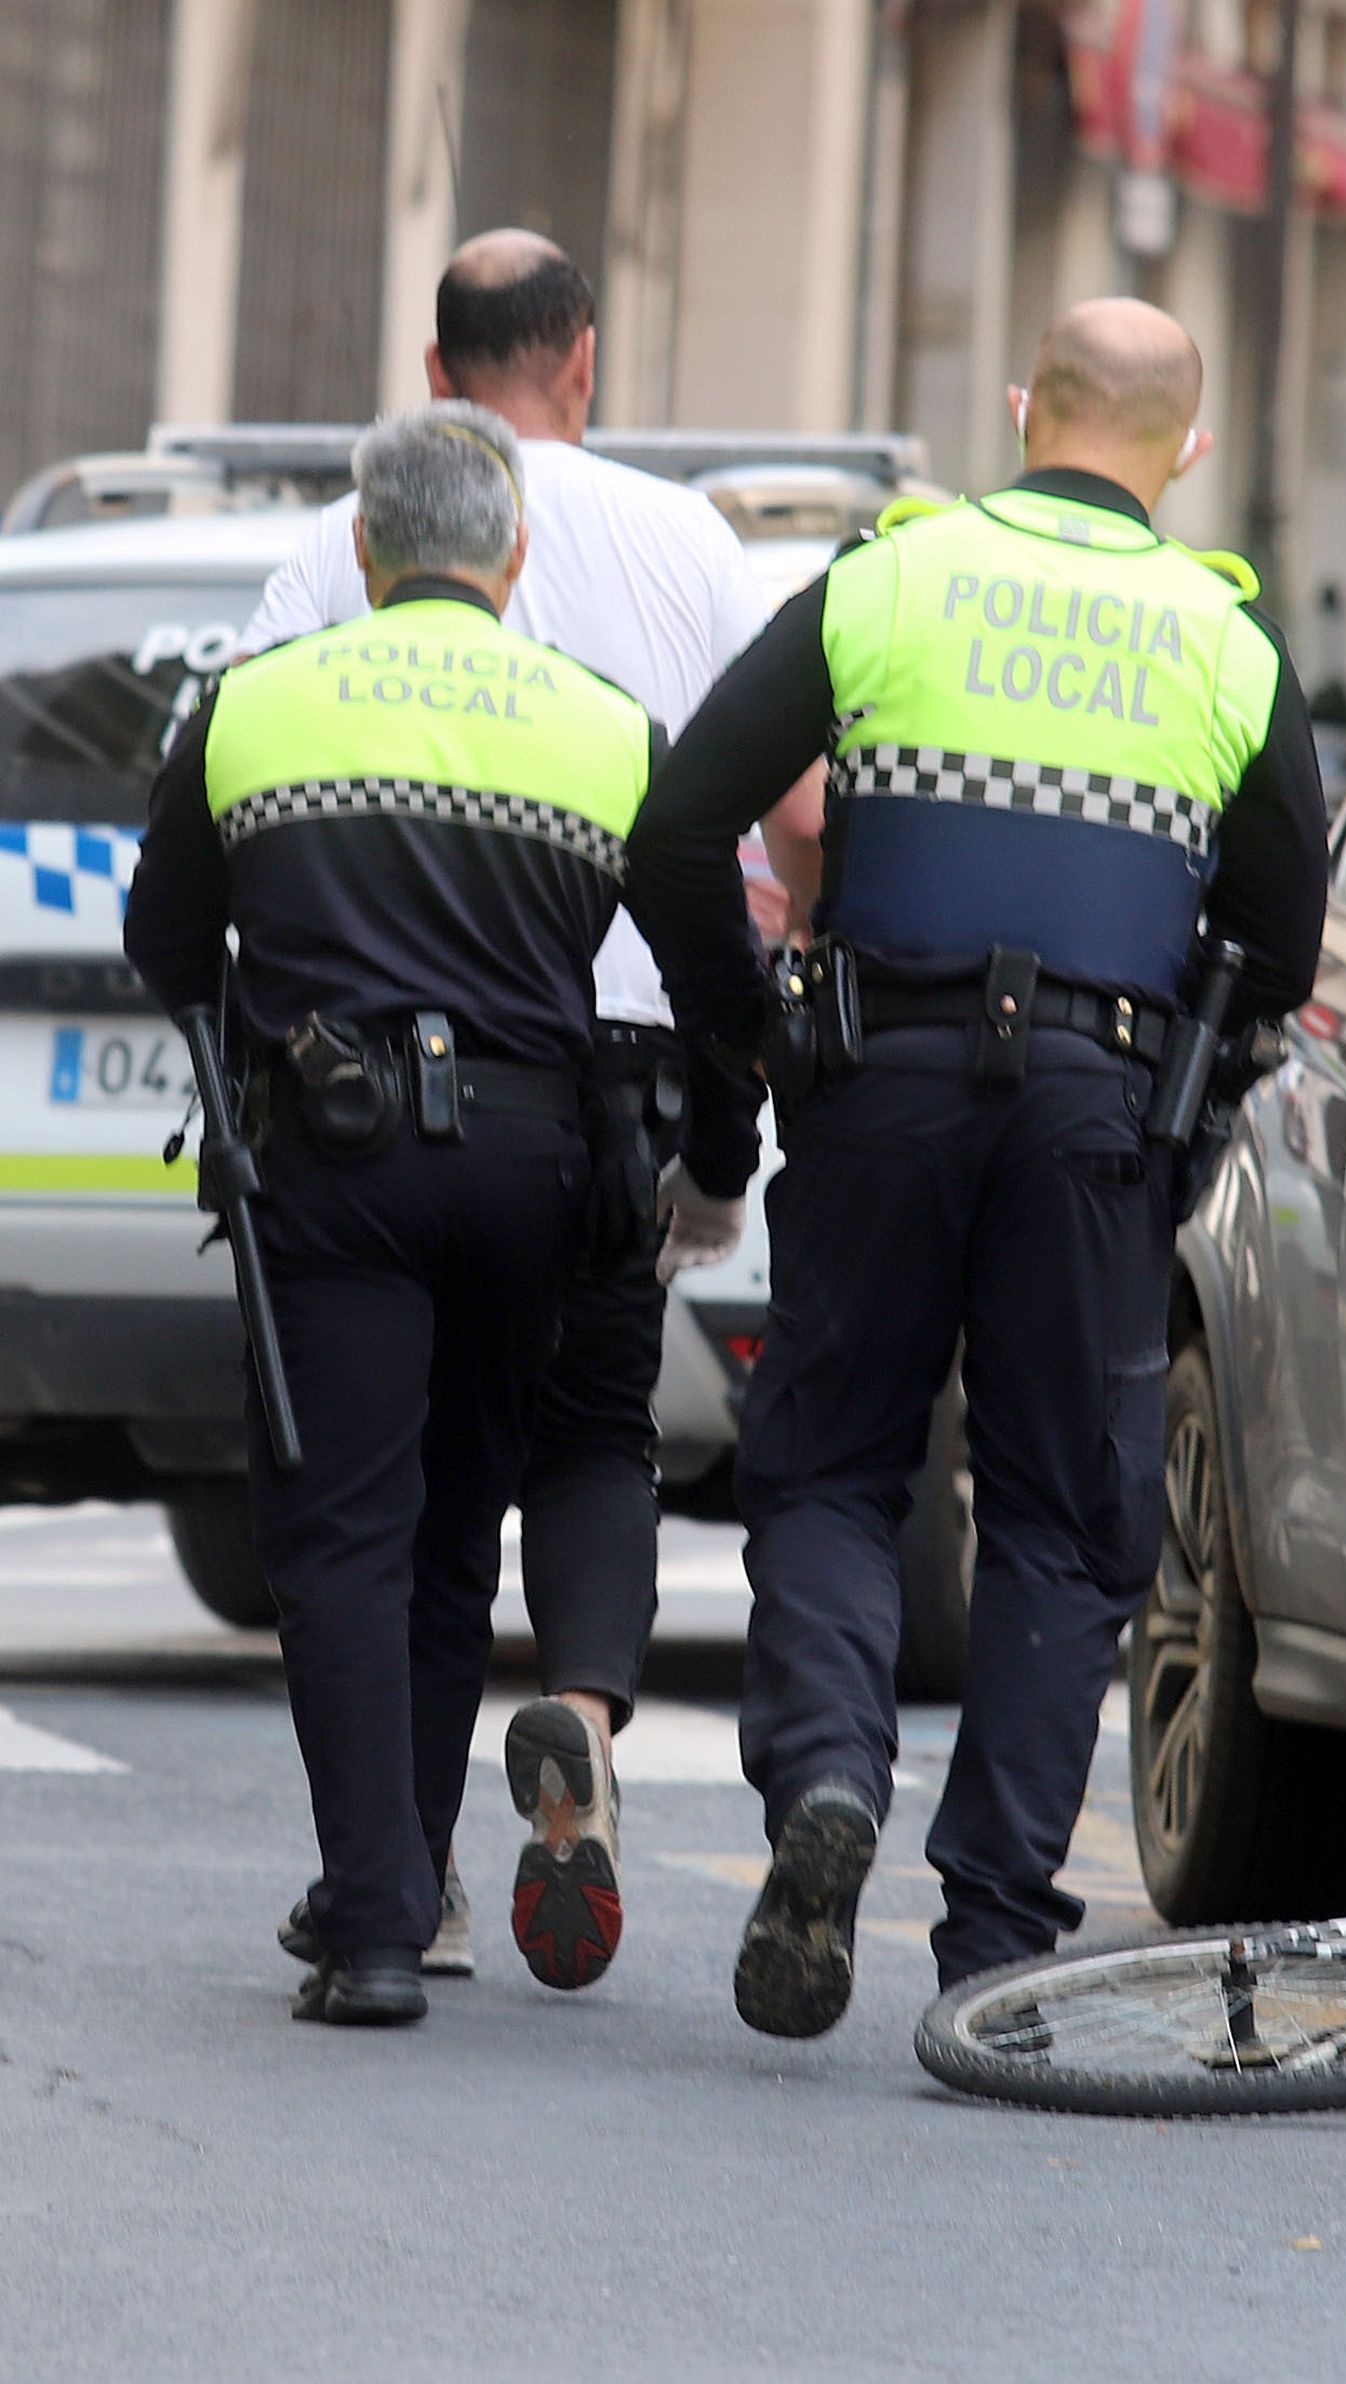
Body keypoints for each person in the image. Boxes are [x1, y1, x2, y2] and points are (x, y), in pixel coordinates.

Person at [628, 297, 1330, 2036]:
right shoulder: (1229, 650)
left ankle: (823, 1789)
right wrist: (1186, 1093)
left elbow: (676, 821)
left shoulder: (890, 578)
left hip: (877, 1081)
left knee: (832, 1466)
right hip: (1095, 1115)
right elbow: (1286, 939)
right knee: (1062, 1520)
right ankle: (998, 1934)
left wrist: (754, 1041)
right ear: (1192, 447)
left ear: (1024, 411)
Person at [123, 403, 762, 2026]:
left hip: (333, 1168)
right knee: (455, 1529)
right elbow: (710, 976)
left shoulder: (251, 709)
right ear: (514, 553)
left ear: (360, 547)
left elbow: (163, 940)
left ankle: (379, 1919)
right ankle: (397, 1874)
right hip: (536, 1171)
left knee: (338, 1533)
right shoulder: (607, 726)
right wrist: (722, 1152)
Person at [243, 229, 819, 1990]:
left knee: (393, 1494)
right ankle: (572, 1718)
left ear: (438, 372)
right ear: (584, 357)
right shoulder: (687, 540)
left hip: (373, 1096)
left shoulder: (336, 553)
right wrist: (742, 1103)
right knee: (593, 1434)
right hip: (615, 1084)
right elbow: (786, 816)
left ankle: (394, 1878)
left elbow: (230, 794)